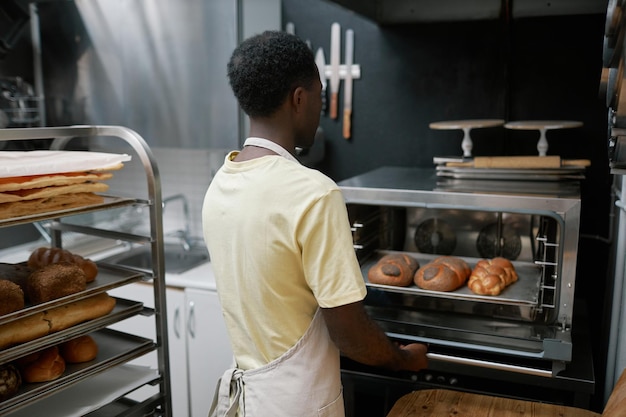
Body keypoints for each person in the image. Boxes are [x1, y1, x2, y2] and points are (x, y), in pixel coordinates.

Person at [202, 30, 428, 417]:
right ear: (299, 99)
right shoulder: (314, 193)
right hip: (298, 405)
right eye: (320, 95)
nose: (321, 108)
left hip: (250, 402)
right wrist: (403, 358)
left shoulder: (220, 184)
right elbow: (348, 332)